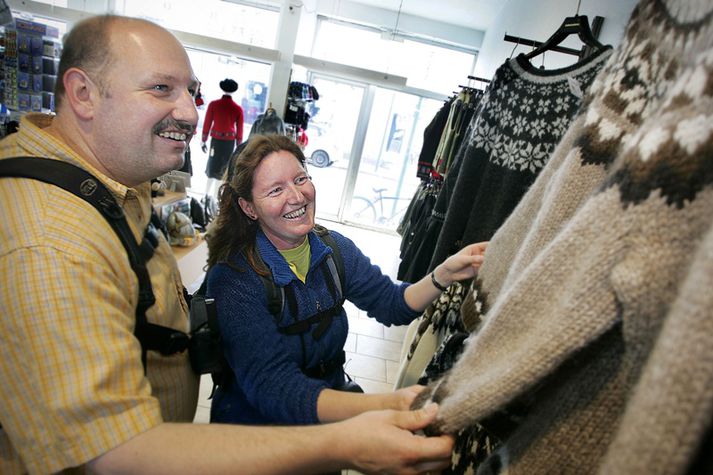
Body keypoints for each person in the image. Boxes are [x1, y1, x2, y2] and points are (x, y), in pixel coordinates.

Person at [0, 14, 455, 474]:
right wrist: (350, 438)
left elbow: (391, 303)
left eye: (191, 92)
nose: (191, 112)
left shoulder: (118, 186)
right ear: (83, 94)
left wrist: (442, 275)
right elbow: (111, 454)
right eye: (161, 88)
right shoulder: (50, 244)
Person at [205, 134, 487, 425]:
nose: (297, 196)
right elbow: (274, 387)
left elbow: (391, 303)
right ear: (249, 207)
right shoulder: (234, 276)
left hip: (327, 413)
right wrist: (383, 406)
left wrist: (445, 273)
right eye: (276, 190)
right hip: (256, 429)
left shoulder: (335, 249)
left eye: (300, 179)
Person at [201, 78, 244, 199]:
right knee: (223, 168)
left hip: (216, 141)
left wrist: (203, 139)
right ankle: (215, 197)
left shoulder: (214, 105)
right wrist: (239, 144)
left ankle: (206, 195)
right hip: (229, 143)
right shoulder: (237, 108)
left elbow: (207, 123)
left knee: (212, 165)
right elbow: (239, 129)